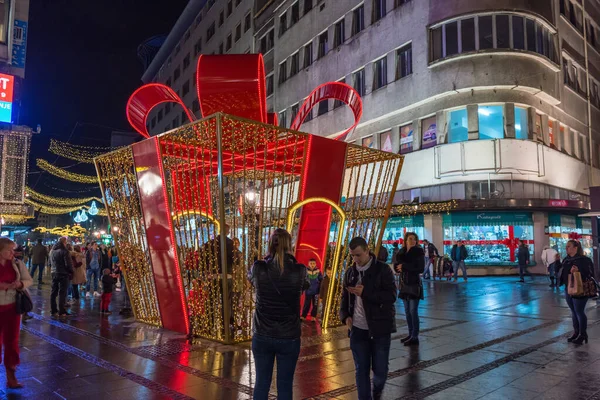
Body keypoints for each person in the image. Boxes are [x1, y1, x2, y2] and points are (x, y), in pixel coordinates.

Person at [248, 228, 309, 400]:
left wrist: (267, 259)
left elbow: (250, 279)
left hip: (262, 334)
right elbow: (305, 287)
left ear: (270, 244)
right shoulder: (300, 270)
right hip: (289, 336)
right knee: (284, 385)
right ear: (290, 245)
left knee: (261, 383)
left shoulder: (259, 267)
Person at [341, 237, 397, 400]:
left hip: (379, 328)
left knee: (380, 371)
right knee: (361, 369)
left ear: (367, 251)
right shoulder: (351, 272)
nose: (355, 259)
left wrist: (365, 293)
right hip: (357, 329)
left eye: (358, 255)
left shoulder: (383, 270)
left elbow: (391, 296)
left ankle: (377, 391)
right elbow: (345, 298)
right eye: (352, 256)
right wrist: (345, 316)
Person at [0, 238, 33, 389]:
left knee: (12, 341)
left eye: (13, 249)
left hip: (13, 307)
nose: (12, 253)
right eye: (8, 250)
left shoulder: (17, 263)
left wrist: (20, 284)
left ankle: (11, 375)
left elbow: (28, 280)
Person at [559, 240, 594, 344]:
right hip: (568, 288)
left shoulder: (584, 260)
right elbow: (561, 273)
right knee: (573, 311)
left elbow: (590, 274)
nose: (566, 248)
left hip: (580, 288)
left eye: (569, 246)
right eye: (566, 246)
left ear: (575, 248)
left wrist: (578, 270)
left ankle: (582, 334)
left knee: (579, 311)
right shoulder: (566, 259)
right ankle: (576, 332)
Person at [395, 232, 425, 346]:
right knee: (407, 311)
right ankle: (410, 333)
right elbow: (397, 265)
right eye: (410, 239)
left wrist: (405, 267)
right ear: (406, 240)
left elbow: (420, 268)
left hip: (413, 283)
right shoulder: (401, 252)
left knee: (413, 310)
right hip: (403, 283)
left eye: (414, 239)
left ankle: (415, 336)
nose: (412, 241)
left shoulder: (418, 252)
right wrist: (398, 268)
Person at [50, 237, 74, 318]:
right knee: (62, 293)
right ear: (64, 242)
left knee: (54, 292)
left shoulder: (52, 251)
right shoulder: (64, 251)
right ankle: (62, 311)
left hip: (54, 273)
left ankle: (53, 310)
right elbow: (68, 264)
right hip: (63, 273)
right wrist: (71, 271)